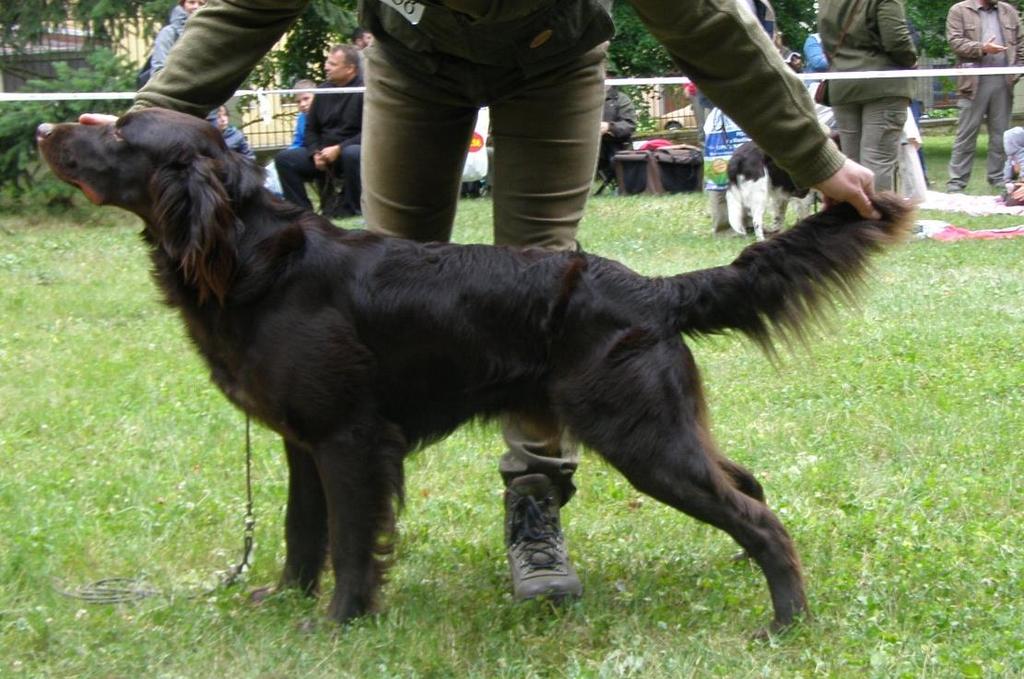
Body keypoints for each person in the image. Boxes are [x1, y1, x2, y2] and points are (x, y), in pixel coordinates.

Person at [86, 0, 878, 605]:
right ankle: (331, 551)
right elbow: (251, 6)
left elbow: (705, 21)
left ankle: (536, 505)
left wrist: (815, 158)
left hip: (553, 61)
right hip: (413, 58)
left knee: (550, 293)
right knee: (373, 299)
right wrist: (145, 118)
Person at [819, 0, 918, 192]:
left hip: (843, 84)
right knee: (878, 159)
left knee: (851, 162)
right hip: (884, 85)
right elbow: (896, 39)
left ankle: (853, 218)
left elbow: (825, 39)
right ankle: (875, 220)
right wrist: (911, 59)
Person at [273, 45, 363, 217]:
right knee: (285, 159)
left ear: (350, 68)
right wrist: (314, 152)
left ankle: (352, 209)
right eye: (327, 62)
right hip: (322, 153)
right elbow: (311, 129)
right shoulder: (322, 91)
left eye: (332, 64)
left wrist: (339, 149)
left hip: (351, 152)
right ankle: (302, 213)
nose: (326, 67)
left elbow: (370, 133)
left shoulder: (364, 90)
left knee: (353, 154)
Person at [946, 0, 1024, 193]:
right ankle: (956, 183)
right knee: (966, 135)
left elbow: (1022, 43)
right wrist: (982, 48)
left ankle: (998, 179)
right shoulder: (959, 10)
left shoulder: (1009, 11)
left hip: (1003, 82)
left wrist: (1016, 71)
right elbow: (955, 42)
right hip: (973, 83)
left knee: (1001, 135)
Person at [138, 0, 206, 87]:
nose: (196, 6)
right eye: (191, 2)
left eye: (201, 3)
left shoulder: (212, 33)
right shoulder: (168, 33)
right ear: (182, 5)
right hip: (172, 91)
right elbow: (158, 70)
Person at [597, 85, 637, 189]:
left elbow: (630, 125)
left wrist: (609, 127)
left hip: (614, 146)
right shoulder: (583, 98)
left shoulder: (622, 99)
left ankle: (622, 185)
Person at [289, 78, 316, 149]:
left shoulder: (325, 114)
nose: (302, 104)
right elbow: (297, 142)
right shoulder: (301, 118)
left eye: (306, 98)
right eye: (298, 102)